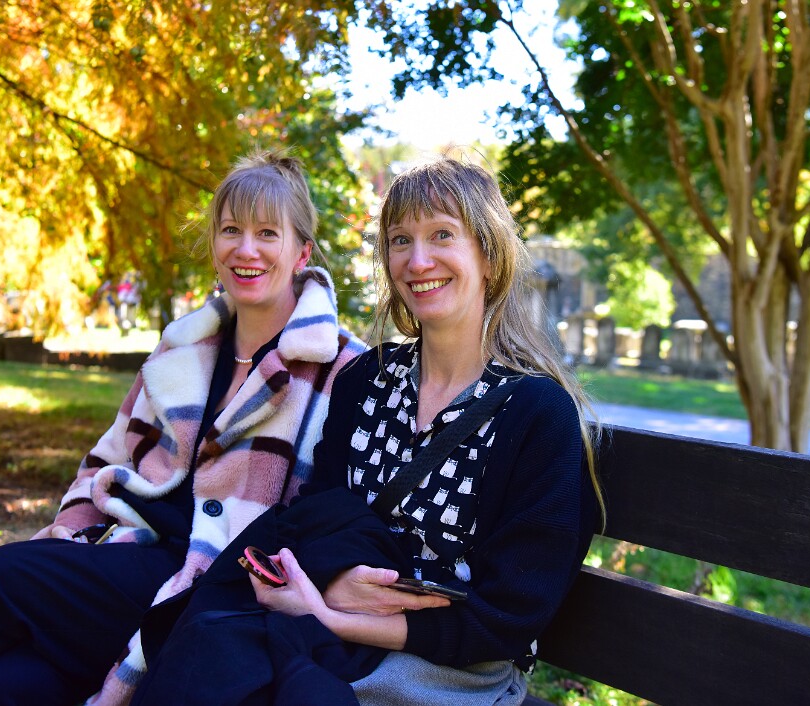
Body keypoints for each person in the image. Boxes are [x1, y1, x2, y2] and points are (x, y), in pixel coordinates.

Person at [122, 156, 604, 706]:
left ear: (489, 255)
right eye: (401, 240)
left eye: (442, 235)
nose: (418, 260)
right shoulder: (366, 381)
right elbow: (318, 518)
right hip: (321, 632)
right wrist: (326, 593)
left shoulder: (537, 414)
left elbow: (508, 617)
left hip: (442, 668)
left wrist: (333, 614)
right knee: (203, 649)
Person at [0, 151, 366, 706]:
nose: (246, 249)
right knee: (0, 689)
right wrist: (71, 532)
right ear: (213, 246)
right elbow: (106, 456)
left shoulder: (341, 367)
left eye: (267, 233)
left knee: (0, 576)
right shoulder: (181, 348)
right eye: (231, 230)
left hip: (220, 588)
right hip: (127, 552)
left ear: (300, 251)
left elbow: (337, 516)